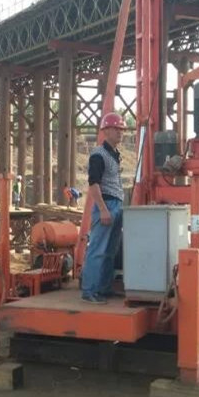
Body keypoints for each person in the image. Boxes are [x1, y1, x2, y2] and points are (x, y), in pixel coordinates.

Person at [81, 112, 127, 305]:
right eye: (116, 129)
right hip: (106, 205)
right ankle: (90, 291)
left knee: (110, 250)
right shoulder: (98, 155)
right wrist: (102, 209)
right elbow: (94, 184)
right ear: (106, 130)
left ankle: (104, 288)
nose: (120, 132)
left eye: (121, 129)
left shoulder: (114, 154)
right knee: (98, 249)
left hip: (116, 204)